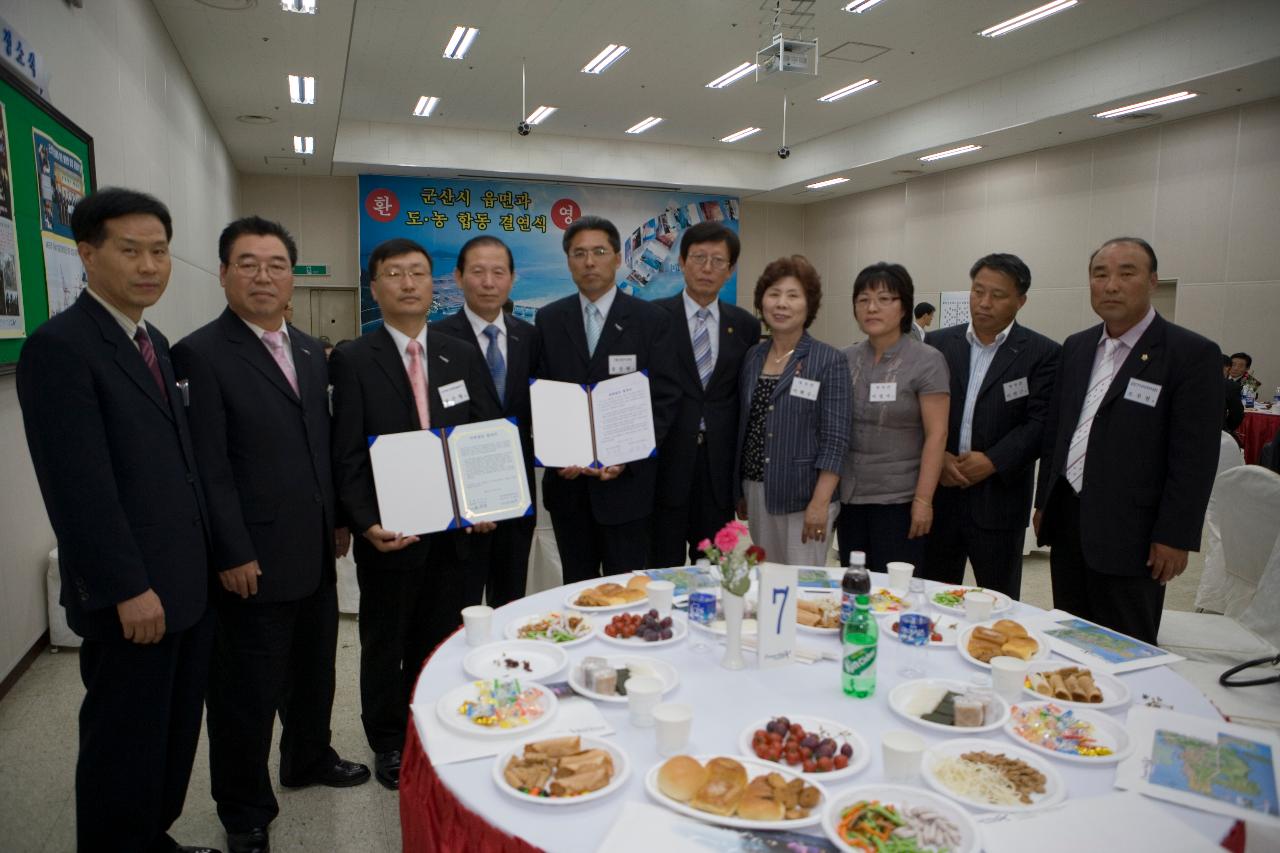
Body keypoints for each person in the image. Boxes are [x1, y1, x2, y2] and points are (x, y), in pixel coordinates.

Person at [16, 188, 219, 853]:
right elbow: (78, 491)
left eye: (158, 251)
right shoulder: (61, 348)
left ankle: (148, 837)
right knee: (121, 745)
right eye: (129, 251)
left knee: (167, 737)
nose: (148, 266)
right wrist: (128, 587)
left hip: (184, 586)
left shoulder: (150, 339)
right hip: (134, 596)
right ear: (86, 253)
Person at [172, 217, 368, 853]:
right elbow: (208, 467)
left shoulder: (312, 350)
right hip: (250, 560)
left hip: (312, 549)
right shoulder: (199, 353)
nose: (264, 276)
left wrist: (338, 519)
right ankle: (244, 808)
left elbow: (322, 447)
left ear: (291, 275)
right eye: (248, 263)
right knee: (244, 694)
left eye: (276, 264)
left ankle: (307, 758)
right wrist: (231, 551)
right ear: (224, 272)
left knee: (313, 672)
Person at [330, 238, 500, 789]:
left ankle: (435, 725)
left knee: (443, 638)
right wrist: (364, 523)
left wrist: (486, 502)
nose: (408, 283)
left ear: (434, 286)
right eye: (395, 273)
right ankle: (387, 740)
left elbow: (481, 432)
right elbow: (347, 453)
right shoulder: (354, 359)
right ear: (375, 288)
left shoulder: (459, 352)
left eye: (418, 274)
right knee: (386, 642)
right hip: (393, 532)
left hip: (456, 535)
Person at [1034, 237, 1220, 644]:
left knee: (1125, 648)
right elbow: (1058, 432)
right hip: (1069, 523)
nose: (1111, 285)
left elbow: (1195, 458)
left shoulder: (1191, 354)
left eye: (1126, 273)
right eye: (1100, 275)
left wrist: (1176, 535)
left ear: (1152, 281)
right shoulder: (1077, 347)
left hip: (1135, 535)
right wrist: (1043, 503)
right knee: (1069, 640)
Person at [533, 215, 679, 583]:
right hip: (569, 489)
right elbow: (540, 394)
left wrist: (626, 457)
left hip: (627, 488)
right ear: (568, 261)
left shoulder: (650, 320)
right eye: (579, 253)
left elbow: (664, 399)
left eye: (599, 251)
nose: (589, 262)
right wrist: (555, 451)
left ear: (617, 258)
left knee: (627, 589)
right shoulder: (549, 320)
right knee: (575, 589)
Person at [922, 254, 1060, 598]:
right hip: (941, 493)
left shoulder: (1042, 353)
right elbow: (917, 410)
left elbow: (1040, 422)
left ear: (1020, 300)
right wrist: (939, 458)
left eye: (997, 295)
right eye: (977, 291)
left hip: (999, 498)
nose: (983, 303)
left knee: (999, 600)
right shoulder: (937, 344)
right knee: (933, 596)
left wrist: (994, 460)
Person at [431, 235, 540, 606]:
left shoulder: (531, 338)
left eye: (498, 272)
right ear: (459, 277)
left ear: (512, 278)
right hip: (458, 502)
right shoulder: (436, 339)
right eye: (478, 272)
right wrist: (464, 497)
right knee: (455, 605)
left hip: (517, 495)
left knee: (510, 600)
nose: (489, 282)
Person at [650, 222, 761, 567]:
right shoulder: (652, 318)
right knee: (661, 567)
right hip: (665, 465)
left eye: (718, 260)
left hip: (718, 469)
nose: (707, 268)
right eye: (698, 258)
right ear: (681, 262)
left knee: (714, 571)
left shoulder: (745, 325)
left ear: (730, 271)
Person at [734, 255, 850, 566]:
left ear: (809, 304)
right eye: (773, 294)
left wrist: (820, 502)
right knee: (768, 580)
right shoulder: (753, 357)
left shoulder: (828, 360)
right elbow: (747, 426)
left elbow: (836, 439)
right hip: (757, 490)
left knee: (803, 587)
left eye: (792, 295)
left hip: (805, 495)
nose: (781, 304)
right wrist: (741, 490)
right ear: (761, 302)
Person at [836, 263, 949, 573]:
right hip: (850, 499)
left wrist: (923, 501)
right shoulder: (844, 359)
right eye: (863, 299)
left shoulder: (927, 361)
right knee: (855, 588)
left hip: (900, 502)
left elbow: (937, 435)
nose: (872, 307)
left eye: (885, 299)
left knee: (896, 596)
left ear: (904, 307)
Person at [1222, 354, 1244, 432]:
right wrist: (1227, 430)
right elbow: (1237, 415)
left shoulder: (1190, 381)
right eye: (1234, 365)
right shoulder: (1230, 386)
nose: (1236, 368)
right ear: (1228, 368)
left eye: (1240, 366)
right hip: (1218, 432)